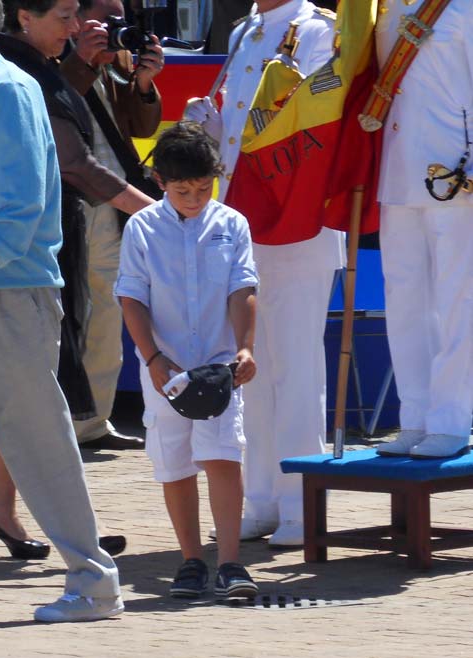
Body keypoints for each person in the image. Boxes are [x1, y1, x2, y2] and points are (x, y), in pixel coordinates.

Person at [0, 0, 155, 560]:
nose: (78, 28)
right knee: (36, 418)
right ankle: (28, 523)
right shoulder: (16, 77)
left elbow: (29, 196)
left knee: (39, 422)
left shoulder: (9, 85)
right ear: (22, 19)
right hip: (4, 272)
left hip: (7, 278)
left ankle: (89, 569)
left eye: (80, 15)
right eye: (67, 15)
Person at [185, 0, 345, 546]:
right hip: (241, 223)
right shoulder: (245, 31)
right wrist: (210, 126)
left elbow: (314, 127)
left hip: (296, 223)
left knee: (296, 369)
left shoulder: (320, 31)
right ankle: (262, 498)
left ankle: (303, 504)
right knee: (249, 368)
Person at [115, 121, 260, 599]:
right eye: (182, 190)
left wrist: (245, 346)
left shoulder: (232, 223)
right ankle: (191, 560)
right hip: (165, 370)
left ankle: (233, 563)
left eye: (203, 187)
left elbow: (243, 288)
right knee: (174, 465)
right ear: (160, 182)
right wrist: (152, 357)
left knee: (223, 457)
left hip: (219, 366)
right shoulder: (142, 228)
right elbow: (132, 298)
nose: (195, 198)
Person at [59, 0, 164, 451]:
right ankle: (60, 421)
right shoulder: (53, 51)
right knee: (70, 312)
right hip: (69, 196)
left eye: (119, 17)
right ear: (77, 16)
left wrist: (143, 83)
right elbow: (56, 103)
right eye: (105, 16)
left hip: (112, 199)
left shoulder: (118, 54)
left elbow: (141, 126)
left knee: (106, 308)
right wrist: (82, 59)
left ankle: (94, 422)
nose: (114, 26)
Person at [373, 0, 473, 459]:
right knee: (405, 299)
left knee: (458, 299)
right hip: (397, 171)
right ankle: (414, 416)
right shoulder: (384, 8)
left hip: (455, 171)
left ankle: (451, 419)